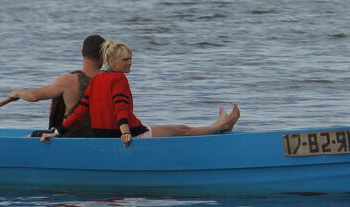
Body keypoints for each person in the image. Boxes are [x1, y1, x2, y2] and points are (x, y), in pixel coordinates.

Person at [42, 39, 240, 146]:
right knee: (182, 130)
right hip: (131, 134)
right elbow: (120, 106)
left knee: (177, 129)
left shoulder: (97, 79)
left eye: (130, 58)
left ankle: (219, 125)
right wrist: (126, 132)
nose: (130, 63)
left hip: (104, 135)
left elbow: (80, 111)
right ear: (111, 62)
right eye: (125, 60)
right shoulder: (119, 78)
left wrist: (58, 131)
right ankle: (219, 128)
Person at [8, 34, 105, 137]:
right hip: (101, 135)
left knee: (29, 136)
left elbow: (34, 95)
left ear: (82, 53)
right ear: (103, 55)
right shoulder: (111, 79)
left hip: (71, 135)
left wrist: (18, 93)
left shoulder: (68, 80)